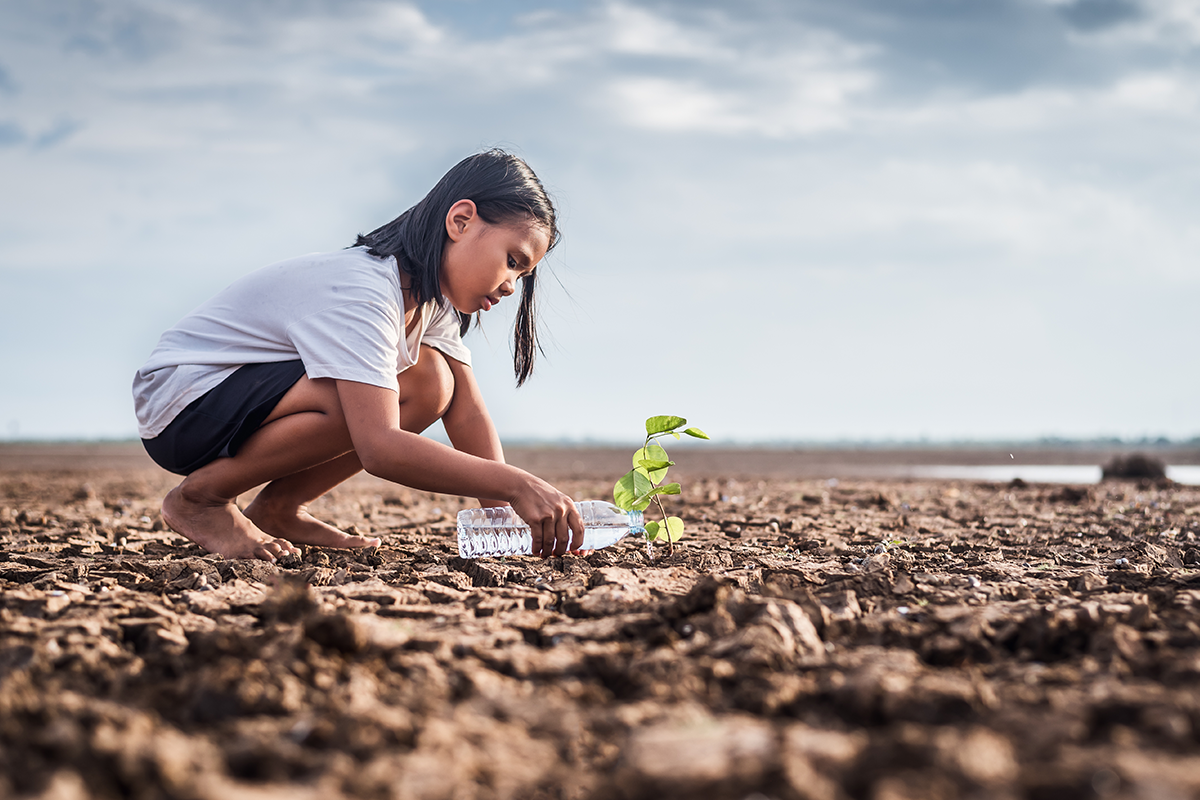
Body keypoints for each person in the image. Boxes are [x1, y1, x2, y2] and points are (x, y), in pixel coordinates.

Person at [132, 149, 584, 563]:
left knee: (431, 382)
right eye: (512, 260)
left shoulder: (429, 302)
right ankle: (201, 499)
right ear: (460, 221)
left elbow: (466, 414)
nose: (510, 285)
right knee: (359, 395)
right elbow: (380, 447)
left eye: (521, 275)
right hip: (185, 401)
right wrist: (518, 484)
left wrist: (504, 521)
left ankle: (279, 507)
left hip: (236, 398)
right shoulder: (366, 291)